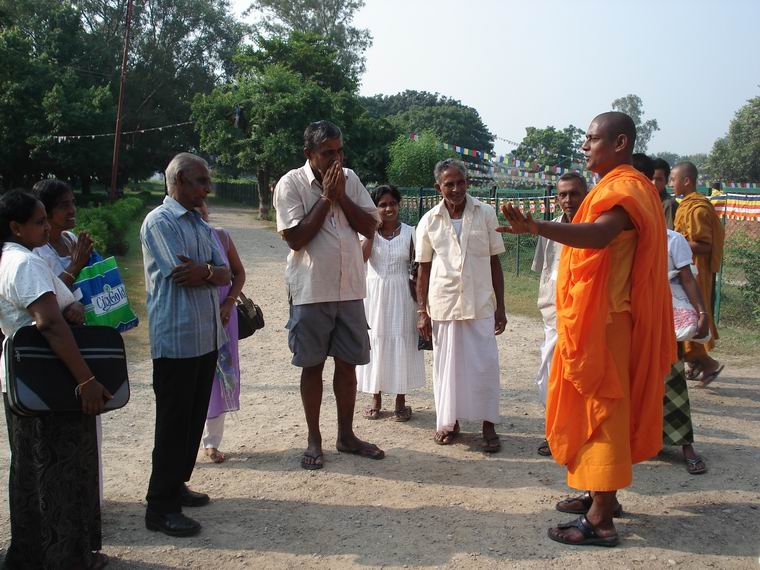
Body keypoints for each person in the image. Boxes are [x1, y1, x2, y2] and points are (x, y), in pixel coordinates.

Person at [499, 112, 674, 546]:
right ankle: (601, 495)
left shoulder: (627, 190)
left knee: (604, 414)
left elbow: (598, 237)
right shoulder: (618, 186)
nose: (584, 147)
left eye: (592, 139)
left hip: (610, 321)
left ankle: (601, 520)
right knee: (595, 410)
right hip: (601, 318)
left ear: (619, 142)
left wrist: (537, 226)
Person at [0, 190, 111, 569]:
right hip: (53, 382)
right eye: (39, 221)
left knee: (30, 473)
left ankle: (29, 556)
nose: (48, 227)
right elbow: (49, 322)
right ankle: (66, 559)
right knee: (61, 474)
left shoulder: (7, 260)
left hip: (21, 384)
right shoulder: (24, 263)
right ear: (16, 227)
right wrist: (86, 379)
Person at [273, 120, 384, 470]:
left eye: (339, 150)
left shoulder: (350, 179)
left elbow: (370, 226)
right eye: (327, 153)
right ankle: (314, 439)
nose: (336, 159)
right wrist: (325, 199)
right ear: (309, 154)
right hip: (310, 290)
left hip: (350, 287)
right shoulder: (290, 184)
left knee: (348, 366)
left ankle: (346, 436)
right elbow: (295, 238)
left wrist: (341, 196)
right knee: (312, 366)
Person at [141, 153, 231, 537]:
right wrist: (207, 272)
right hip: (177, 341)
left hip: (206, 337)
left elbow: (223, 272)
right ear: (177, 180)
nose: (206, 189)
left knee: (193, 419)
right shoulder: (159, 222)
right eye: (199, 181)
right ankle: (160, 507)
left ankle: (177, 485)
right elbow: (181, 275)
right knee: (173, 424)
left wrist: (206, 271)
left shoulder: (197, 221)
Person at [416, 158, 507, 452]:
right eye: (449, 184)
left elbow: (494, 263)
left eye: (461, 182)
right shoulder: (429, 220)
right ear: (438, 187)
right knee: (447, 368)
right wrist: (421, 311)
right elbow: (423, 270)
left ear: (468, 182)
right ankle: (449, 422)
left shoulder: (486, 213)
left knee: (485, 366)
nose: (456, 189)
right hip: (443, 304)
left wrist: (501, 307)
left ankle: (488, 426)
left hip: (481, 303)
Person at [32, 178, 108, 505]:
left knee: (91, 422)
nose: (72, 209)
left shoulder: (70, 239)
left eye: (72, 202)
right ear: (45, 213)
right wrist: (75, 266)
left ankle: (90, 494)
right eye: (64, 205)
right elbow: (48, 298)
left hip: (86, 336)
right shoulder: (38, 253)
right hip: (56, 346)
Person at [530, 173, 588, 457]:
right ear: (556, 198)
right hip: (554, 315)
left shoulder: (595, 229)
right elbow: (544, 271)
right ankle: (554, 432)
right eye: (563, 195)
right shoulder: (548, 229)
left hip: (586, 316)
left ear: (585, 195)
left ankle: (580, 434)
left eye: (574, 194)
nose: (568, 200)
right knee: (549, 376)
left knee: (581, 379)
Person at [357, 184, 425, 422]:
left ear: (399, 205)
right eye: (382, 204)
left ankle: (400, 401)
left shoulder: (411, 232)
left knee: (402, 342)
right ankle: (375, 398)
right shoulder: (367, 232)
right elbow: (362, 259)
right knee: (375, 342)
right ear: (375, 208)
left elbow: (419, 269)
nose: (388, 209)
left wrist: (421, 306)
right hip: (374, 294)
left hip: (402, 294)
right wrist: (370, 231)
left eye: (392, 203)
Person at [196, 200, 246, 463]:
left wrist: (229, 302)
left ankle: (212, 442)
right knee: (194, 378)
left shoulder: (222, 237)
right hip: (194, 322)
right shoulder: (178, 241)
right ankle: (187, 442)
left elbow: (238, 274)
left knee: (220, 377)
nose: (200, 214)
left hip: (225, 320)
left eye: (203, 210)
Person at [672, 161, 725, 386]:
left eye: (674, 179)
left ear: (687, 181)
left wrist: (675, 244)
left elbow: (703, 245)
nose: (671, 183)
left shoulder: (699, 207)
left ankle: (707, 363)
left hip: (696, 271)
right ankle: (696, 364)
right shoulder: (685, 205)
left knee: (690, 316)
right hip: (684, 266)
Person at [663, 229, 709, 474]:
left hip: (666, 316)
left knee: (672, 380)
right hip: (631, 315)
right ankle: (640, 441)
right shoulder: (625, 236)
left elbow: (687, 278)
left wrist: (702, 313)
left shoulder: (673, 240)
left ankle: (685, 445)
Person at [652, 158, 678, 229]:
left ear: (666, 181)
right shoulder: (648, 201)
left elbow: (669, 235)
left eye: (659, 179)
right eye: (651, 178)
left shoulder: (668, 204)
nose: (654, 183)